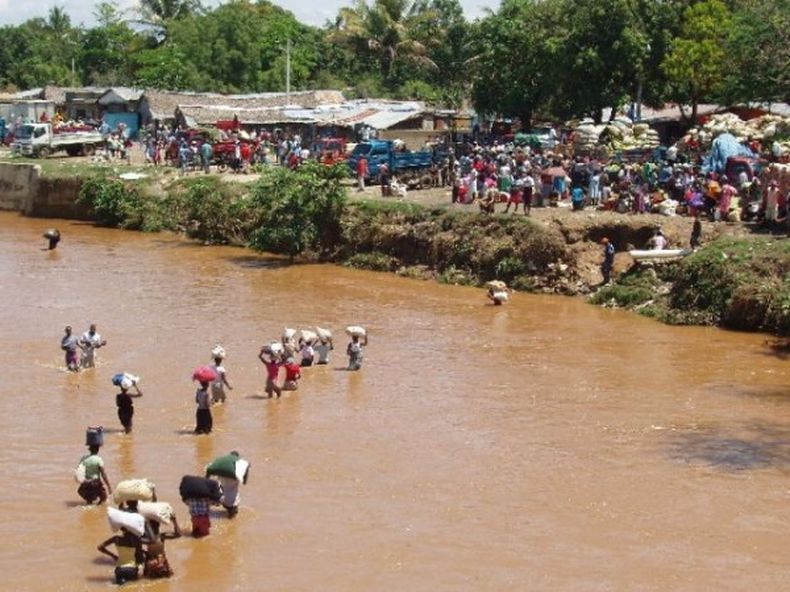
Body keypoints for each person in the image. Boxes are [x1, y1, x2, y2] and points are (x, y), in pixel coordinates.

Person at [142, 512, 181, 579]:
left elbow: (135, 543)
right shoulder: (162, 536)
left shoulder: (146, 537)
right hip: (162, 562)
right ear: (158, 526)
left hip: (151, 562)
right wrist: (174, 521)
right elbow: (178, 534)